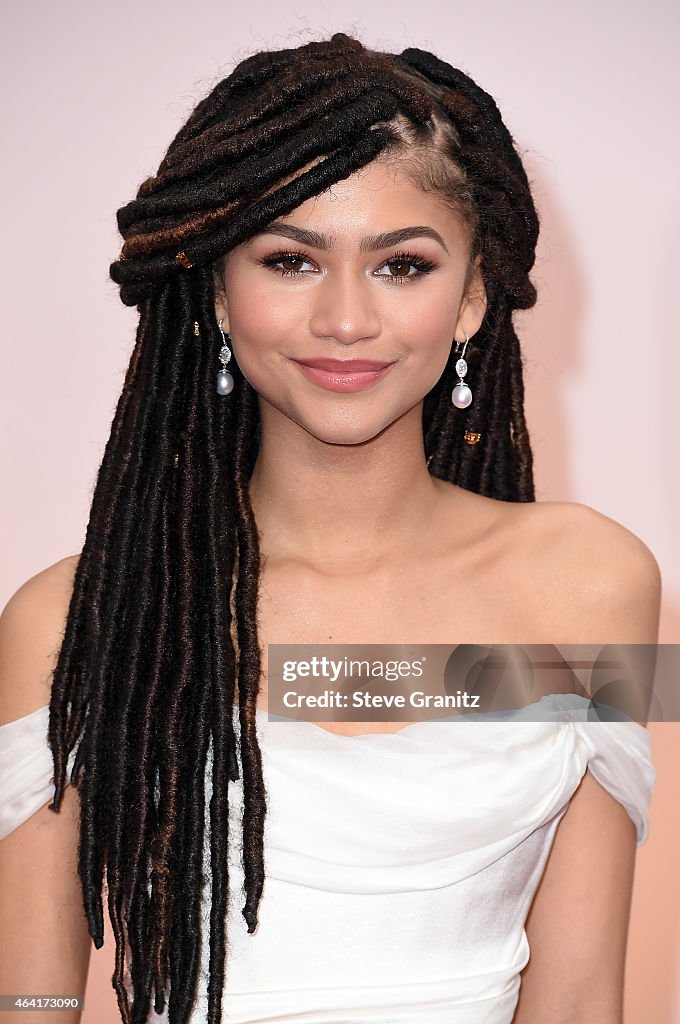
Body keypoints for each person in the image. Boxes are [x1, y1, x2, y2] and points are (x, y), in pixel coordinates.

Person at [0, 31, 661, 1024]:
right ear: (218, 291)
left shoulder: (590, 586)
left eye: (401, 265)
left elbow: (576, 1002)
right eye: (289, 260)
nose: (345, 319)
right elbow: (32, 998)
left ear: (472, 295)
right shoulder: (71, 622)